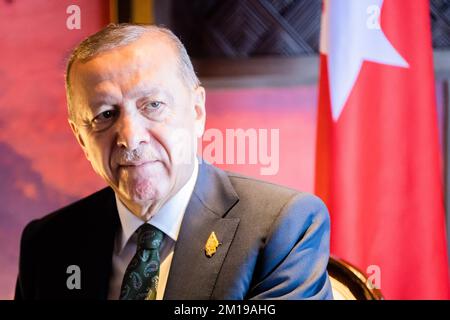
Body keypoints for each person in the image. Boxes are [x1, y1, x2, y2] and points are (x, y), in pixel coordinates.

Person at [15, 24, 333, 300]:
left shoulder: (284, 226)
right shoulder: (47, 244)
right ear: (82, 138)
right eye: (105, 114)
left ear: (196, 112)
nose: (130, 137)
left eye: (153, 104)